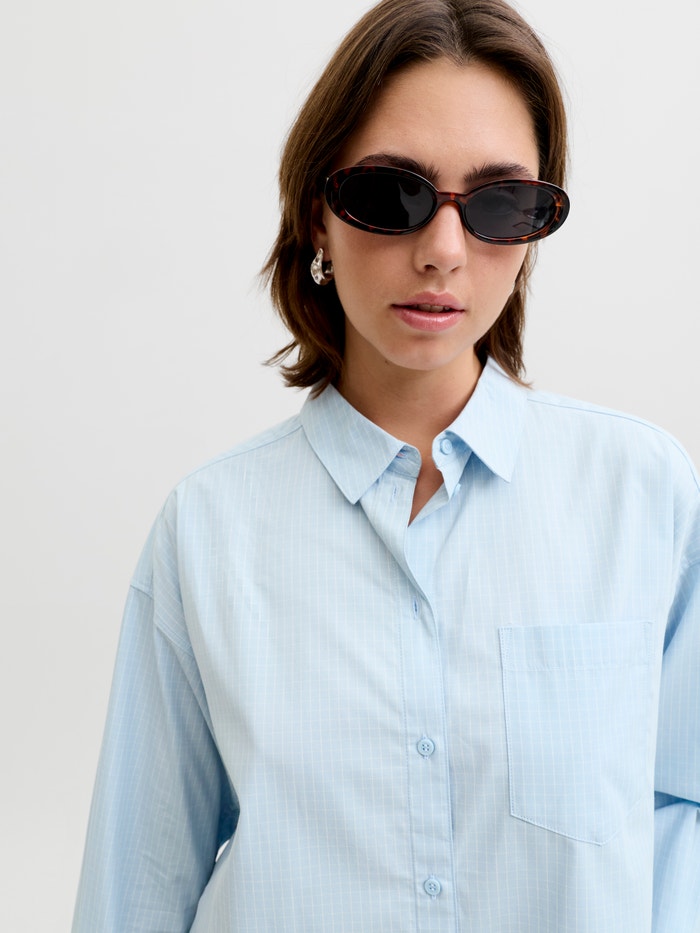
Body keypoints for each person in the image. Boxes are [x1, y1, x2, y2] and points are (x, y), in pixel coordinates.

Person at [72, 0, 700, 930]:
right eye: (392, 194)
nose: (443, 251)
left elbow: (684, 813)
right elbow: (137, 888)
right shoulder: (209, 530)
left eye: (499, 204)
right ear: (316, 217)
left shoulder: (643, 496)